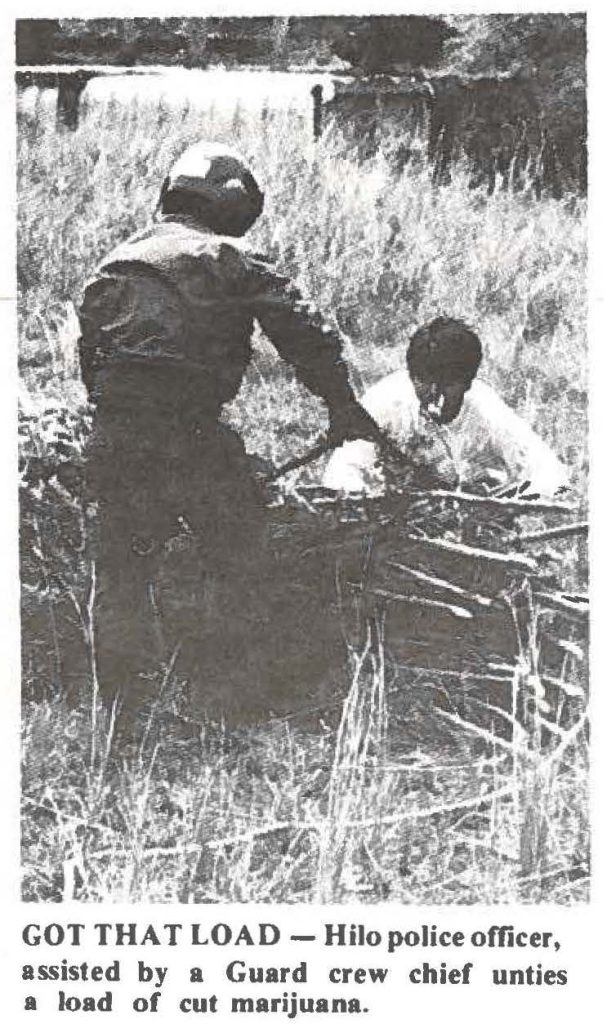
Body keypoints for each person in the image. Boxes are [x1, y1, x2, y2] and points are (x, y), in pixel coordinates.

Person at [77, 140, 384, 718]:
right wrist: (342, 406)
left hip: (116, 435)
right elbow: (304, 332)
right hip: (189, 433)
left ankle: (116, 716)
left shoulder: (116, 262)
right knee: (239, 553)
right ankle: (227, 704)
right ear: (232, 204)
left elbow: (91, 361)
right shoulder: (229, 256)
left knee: (120, 570)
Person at [324, 316, 569, 498]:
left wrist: (507, 504)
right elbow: (341, 473)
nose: (434, 395)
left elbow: (551, 474)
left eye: (447, 384)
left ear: (468, 382)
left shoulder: (484, 408)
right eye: (423, 380)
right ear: (412, 374)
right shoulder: (387, 401)